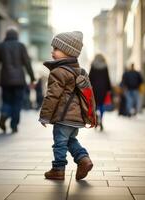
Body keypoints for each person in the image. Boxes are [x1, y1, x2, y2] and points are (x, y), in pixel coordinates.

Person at [39, 31, 93, 180]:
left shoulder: (59, 72)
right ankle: (84, 159)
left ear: (68, 52)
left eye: (56, 48)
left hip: (63, 116)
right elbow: (89, 95)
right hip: (76, 118)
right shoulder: (80, 71)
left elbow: (52, 96)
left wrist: (44, 116)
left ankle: (58, 169)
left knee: (59, 142)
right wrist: (90, 116)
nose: (52, 51)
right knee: (69, 140)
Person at [0, 28, 35, 133]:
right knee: (17, 103)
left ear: (6, 35)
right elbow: (27, 63)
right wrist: (32, 78)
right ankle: (14, 125)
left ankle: (4, 114)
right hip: (19, 81)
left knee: (6, 101)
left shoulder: (0, 46)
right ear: (16, 35)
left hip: (5, 80)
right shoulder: (21, 46)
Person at [89, 54, 111, 131]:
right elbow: (107, 78)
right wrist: (109, 88)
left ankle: (95, 119)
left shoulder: (93, 66)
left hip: (94, 89)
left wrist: (89, 87)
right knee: (101, 105)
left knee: (94, 105)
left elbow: (90, 77)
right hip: (103, 89)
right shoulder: (105, 66)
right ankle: (101, 119)